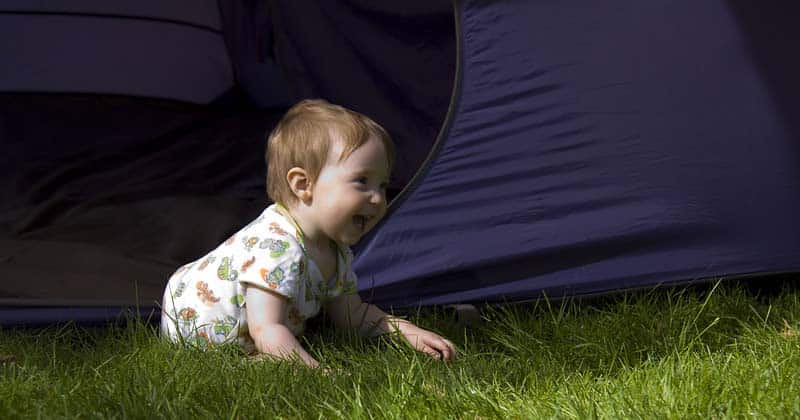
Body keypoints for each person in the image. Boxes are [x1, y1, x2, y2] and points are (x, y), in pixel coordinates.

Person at [160, 99, 457, 369]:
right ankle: (248, 363)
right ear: (303, 185)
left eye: (382, 185)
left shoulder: (336, 250)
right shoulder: (277, 247)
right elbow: (266, 328)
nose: (378, 198)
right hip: (195, 322)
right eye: (362, 181)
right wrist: (318, 372)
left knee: (282, 348)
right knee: (268, 356)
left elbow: (350, 315)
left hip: (255, 327)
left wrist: (405, 331)